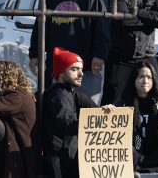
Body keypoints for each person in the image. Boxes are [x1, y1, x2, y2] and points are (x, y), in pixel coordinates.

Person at [29, 0, 109, 104]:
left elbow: (102, 28)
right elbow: (40, 27)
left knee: (86, 111)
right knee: (57, 108)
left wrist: (99, 55)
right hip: (56, 70)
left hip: (84, 70)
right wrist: (34, 53)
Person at [42, 47, 116, 178]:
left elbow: (95, 110)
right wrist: (95, 121)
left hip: (67, 160)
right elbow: (67, 125)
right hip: (60, 164)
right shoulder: (58, 96)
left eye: (81, 69)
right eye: (74, 69)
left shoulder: (71, 93)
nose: (81, 74)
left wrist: (106, 111)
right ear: (60, 73)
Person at [116, 61, 158, 173]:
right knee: (126, 152)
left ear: (154, 80)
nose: (145, 81)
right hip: (135, 149)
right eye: (141, 77)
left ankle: (139, 167)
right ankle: (156, 166)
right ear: (134, 79)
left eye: (149, 77)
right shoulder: (124, 103)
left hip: (155, 149)